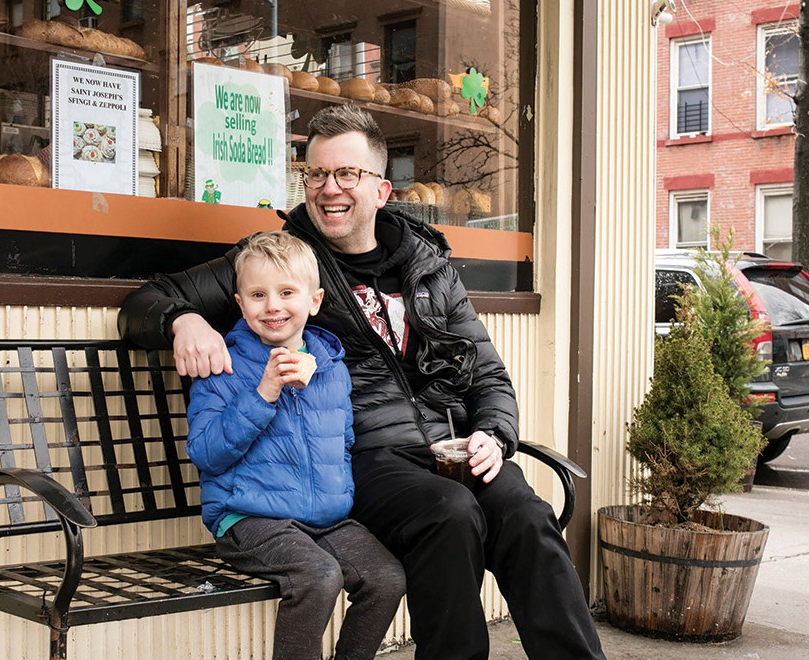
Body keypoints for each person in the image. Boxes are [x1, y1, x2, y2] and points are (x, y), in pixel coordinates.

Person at [120, 104, 604, 660]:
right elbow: (144, 301)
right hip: (368, 457)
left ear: (380, 189)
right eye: (317, 174)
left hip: (451, 446)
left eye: (346, 173)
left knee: (524, 512)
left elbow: (487, 374)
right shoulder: (288, 265)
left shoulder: (429, 268)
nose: (330, 189)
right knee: (448, 513)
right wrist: (181, 321)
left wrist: (494, 434)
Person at [185, 231, 405, 660]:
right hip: (249, 517)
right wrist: (264, 393)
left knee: (386, 578)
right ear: (240, 303)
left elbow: (342, 442)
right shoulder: (224, 366)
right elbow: (206, 452)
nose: (273, 306)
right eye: (258, 294)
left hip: (324, 518)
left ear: (314, 301)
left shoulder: (329, 367)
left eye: (287, 292)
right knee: (318, 576)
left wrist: (336, 497)